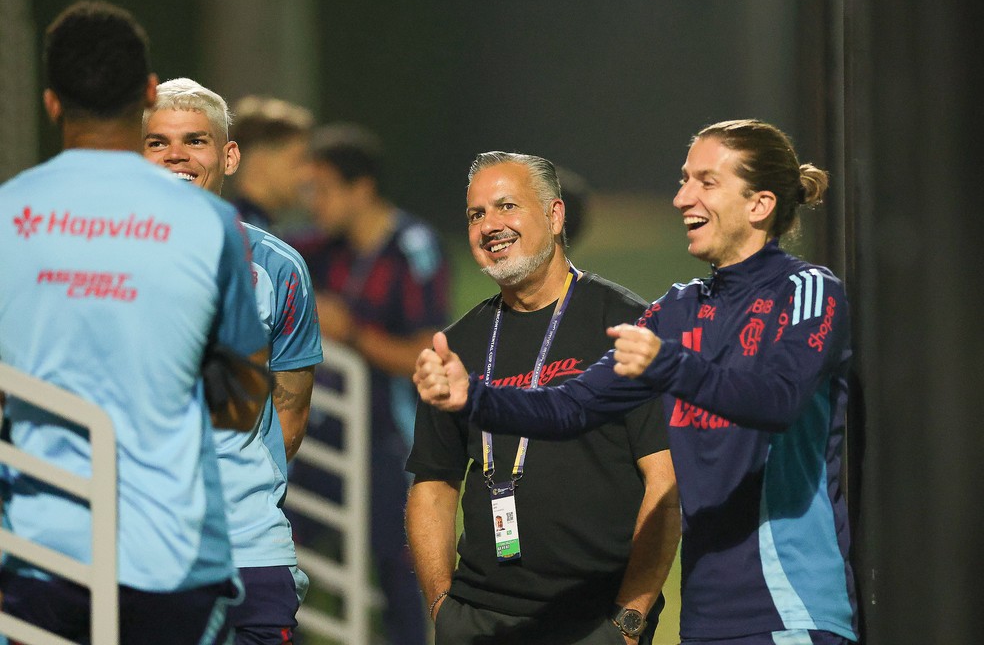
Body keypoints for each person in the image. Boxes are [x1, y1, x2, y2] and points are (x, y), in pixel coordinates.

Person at [415, 121, 859, 645]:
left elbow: (779, 400)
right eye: (683, 179)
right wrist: (475, 398)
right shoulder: (677, 309)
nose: (680, 198)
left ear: (759, 204)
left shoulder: (807, 290)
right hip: (706, 618)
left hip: (792, 608)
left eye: (705, 182)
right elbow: (570, 408)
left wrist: (669, 366)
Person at [0, 1, 269, 644]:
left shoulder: (7, 216)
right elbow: (247, 392)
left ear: (51, 102)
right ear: (149, 94)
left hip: (39, 547)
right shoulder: (208, 226)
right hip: (168, 553)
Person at [405, 151, 679, 645]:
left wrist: (630, 618)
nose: (490, 225)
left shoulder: (625, 325)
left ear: (555, 215)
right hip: (480, 618)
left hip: (595, 622)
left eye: (506, 206)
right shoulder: (457, 346)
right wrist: (443, 608)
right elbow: (433, 484)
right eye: (476, 214)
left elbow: (665, 480)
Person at [142, 77, 324, 644]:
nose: (176, 154)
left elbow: (288, 420)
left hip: (248, 547)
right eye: (157, 143)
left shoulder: (278, 268)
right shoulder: (95, 265)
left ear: (228, 155)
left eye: (195, 140)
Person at [287, 122, 451, 645]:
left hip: (388, 441)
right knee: (273, 555)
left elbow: (429, 352)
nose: (312, 201)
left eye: (322, 188)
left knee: (400, 574)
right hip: (318, 440)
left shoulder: (413, 247)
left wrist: (353, 334)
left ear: (361, 189)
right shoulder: (315, 251)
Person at [227, 95, 315, 232]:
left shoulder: (260, 227)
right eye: (298, 160)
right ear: (259, 162)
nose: (307, 173)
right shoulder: (237, 235)